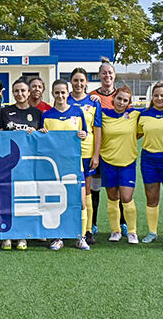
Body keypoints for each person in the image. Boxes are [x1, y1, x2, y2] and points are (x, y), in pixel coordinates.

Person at [41, 80, 90, 251]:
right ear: (52, 94)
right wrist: (42, 134)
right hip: (55, 166)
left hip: (75, 165)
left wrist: (83, 135)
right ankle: (58, 237)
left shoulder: (77, 112)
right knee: (56, 202)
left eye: (63, 92)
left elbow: (85, 134)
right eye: (57, 93)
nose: (60, 96)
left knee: (81, 202)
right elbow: (43, 142)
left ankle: (81, 237)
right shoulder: (46, 115)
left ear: (68, 93)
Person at [0, 78, 43, 251]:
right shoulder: (5, 112)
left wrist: (39, 133)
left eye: (23, 90)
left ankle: (23, 235)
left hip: (28, 164)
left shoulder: (36, 113)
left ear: (29, 92)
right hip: (8, 163)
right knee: (7, 198)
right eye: (16, 91)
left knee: (25, 199)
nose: (20, 94)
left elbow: (43, 137)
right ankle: (7, 235)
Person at [99, 85, 141, 244]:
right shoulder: (103, 114)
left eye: (125, 100)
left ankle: (132, 231)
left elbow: (154, 112)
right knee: (112, 197)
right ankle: (115, 230)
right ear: (113, 98)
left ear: (129, 103)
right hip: (107, 161)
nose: (121, 103)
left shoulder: (134, 114)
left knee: (126, 197)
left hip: (128, 162)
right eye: (119, 98)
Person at [137, 82, 163, 244]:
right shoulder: (144, 115)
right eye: (156, 95)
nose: (159, 98)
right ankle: (152, 232)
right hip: (149, 160)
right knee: (152, 198)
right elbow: (136, 134)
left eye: (162, 95)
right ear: (151, 98)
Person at [89, 60, 124, 236]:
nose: (107, 76)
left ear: (114, 75)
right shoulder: (92, 97)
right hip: (97, 150)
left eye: (110, 73)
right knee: (94, 188)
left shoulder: (122, 96)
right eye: (104, 73)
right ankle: (93, 223)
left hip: (117, 152)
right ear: (99, 76)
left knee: (118, 190)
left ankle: (122, 223)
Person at [67, 68, 102, 244]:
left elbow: (97, 130)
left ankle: (87, 230)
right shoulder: (64, 99)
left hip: (87, 152)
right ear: (71, 82)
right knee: (68, 191)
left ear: (87, 82)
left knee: (86, 193)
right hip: (67, 154)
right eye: (75, 80)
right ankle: (68, 227)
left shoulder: (94, 102)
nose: (79, 84)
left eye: (82, 80)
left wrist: (96, 155)